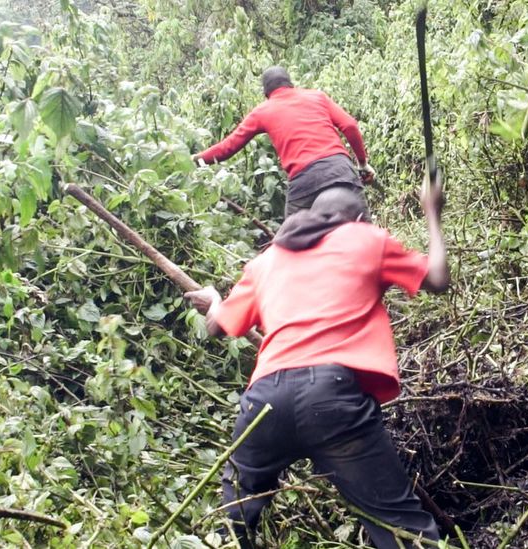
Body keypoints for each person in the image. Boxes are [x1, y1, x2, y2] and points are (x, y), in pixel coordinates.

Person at [184, 173, 448, 548]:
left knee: (234, 521)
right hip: (333, 399)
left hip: (264, 403)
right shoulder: (365, 238)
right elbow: (437, 278)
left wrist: (214, 300)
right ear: (358, 219)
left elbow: (217, 326)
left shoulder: (266, 260)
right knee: (401, 527)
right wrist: (431, 211)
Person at [193, 66, 377, 218]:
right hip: (341, 170)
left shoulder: (263, 111)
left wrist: (194, 159)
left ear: (266, 93)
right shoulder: (317, 96)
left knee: (292, 248)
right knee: (366, 237)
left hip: (304, 181)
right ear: (290, 84)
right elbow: (350, 125)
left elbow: (227, 147)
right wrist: (362, 163)